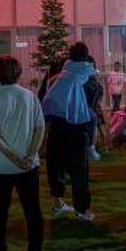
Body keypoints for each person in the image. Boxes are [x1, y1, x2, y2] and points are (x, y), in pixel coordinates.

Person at [0, 55, 46, 251]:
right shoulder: (29, 96)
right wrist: (29, 154)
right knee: (33, 212)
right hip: (29, 166)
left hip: (0, 167)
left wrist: (12, 156)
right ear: (19, 72)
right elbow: (40, 128)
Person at [41, 42, 97, 221]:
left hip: (57, 127)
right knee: (79, 170)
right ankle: (83, 210)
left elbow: (45, 98)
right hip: (77, 128)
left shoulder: (58, 77)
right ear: (86, 56)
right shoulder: (88, 78)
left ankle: (58, 203)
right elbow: (91, 103)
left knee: (55, 166)